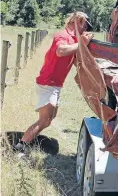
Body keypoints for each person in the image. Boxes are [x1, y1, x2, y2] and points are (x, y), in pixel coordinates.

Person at [13, 12, 94, 152]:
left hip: (54, 84)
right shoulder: (63, 35)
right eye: (84, 25)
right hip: (48, 83)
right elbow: (61, 51)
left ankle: (27, 141)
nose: (85, 29)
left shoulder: (73, 39)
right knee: (45, 120)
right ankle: (20, 147)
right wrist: (82, 44)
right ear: (76, 20)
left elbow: (75, 60)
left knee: (49, 118)